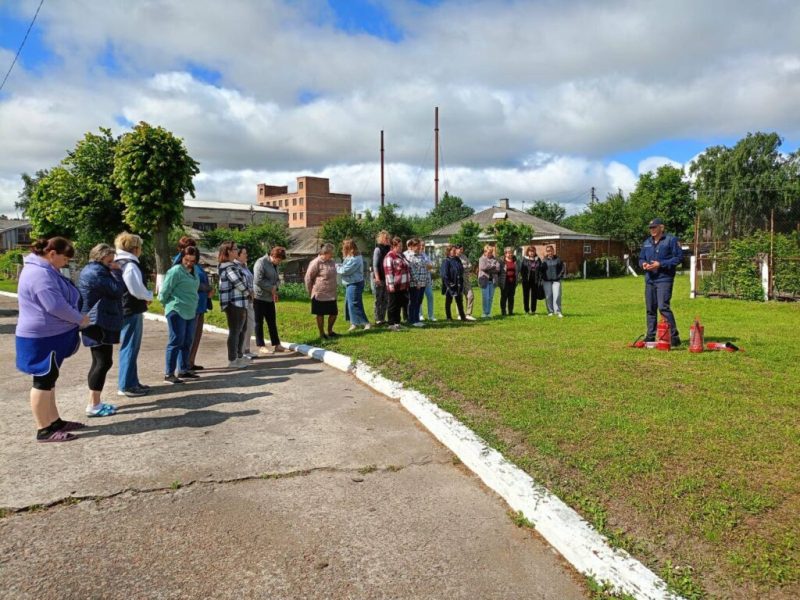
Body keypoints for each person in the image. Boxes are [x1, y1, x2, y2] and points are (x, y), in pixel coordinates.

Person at [15, 237, 89, 442]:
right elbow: (54, 306)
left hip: (48, 335)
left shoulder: (44, 269)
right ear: (52, 254)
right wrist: (79, 319)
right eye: (65, 258)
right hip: (41, 337)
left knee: (49, 380)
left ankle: (54, 421)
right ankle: (44, 429)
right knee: (42, 381)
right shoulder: (39, 274)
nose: (66, 263)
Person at [78, 244, 125, 417]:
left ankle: (94, 401)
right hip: (98, 322)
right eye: (110, 260)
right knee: (103, 362)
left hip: (95, 320)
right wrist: (117, 272)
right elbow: (117, 290)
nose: (113, 263)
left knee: (100, 361)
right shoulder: (97, 272)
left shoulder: (92, 270)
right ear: (101, 258)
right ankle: (93, 404)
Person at [113, 232, 153, 398]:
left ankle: (132, 381)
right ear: (135, 249)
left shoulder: (120, 261)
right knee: (130, 346)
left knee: (130, 346)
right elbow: (136, 289)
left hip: (126, 308)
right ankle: (126, 385)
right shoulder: (130, 264)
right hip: (131, 309)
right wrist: (148, 296)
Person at [159, 246, 201, 383]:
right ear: (181, 258)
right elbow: (164, 292)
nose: (189, 263)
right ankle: (169, 373)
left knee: (187, 341)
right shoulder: (175, 271)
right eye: (186, 260)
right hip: (176, 310)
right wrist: (167, 305)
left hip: (190, 311)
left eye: (192, 261)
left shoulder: (194, 272)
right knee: (176, 340)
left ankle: (183, 370)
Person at [639, 218, 683, 346]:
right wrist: (643, 264)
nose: (652, 230)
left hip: (664, 278)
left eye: (654, 227)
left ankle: (674, 337)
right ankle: (650, 336)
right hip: (650, 279)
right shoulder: (647, 242)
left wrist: (661, 264)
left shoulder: (671, 240)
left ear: (661, 228)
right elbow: (641, 258)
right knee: (650, 308)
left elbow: (679, 258)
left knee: (663, 307)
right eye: (650, 228)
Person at [172, 236, 211, 372]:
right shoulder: (179, 263)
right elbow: (188, 282)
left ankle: (190, 361)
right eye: (187, 247)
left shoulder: (195, 262)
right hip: (189, 304)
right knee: (187, 337)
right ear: (181, 249)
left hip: (199, 303)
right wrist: (206, 288)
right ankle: (184, 364)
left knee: (196, 335)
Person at [218, 241, 251, 369]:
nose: (237, 251)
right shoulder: (228, 267)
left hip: (241, 302)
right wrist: (249, 292)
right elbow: (238, 282)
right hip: (234, 303)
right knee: (235, 331)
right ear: (228, 252)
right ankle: (232, 360)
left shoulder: (233, 266)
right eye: (235, 249)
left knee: (241, 330)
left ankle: (239, 357)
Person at [253, 246, 290, 354]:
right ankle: (261, 345)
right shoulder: (260, 262)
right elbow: (258, 280)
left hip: (270, 297)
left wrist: (275, 288)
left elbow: (278, 279)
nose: (279, 262)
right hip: (259, 297)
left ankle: (277, 345)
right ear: (273, 255)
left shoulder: (275, 265)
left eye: (280, 261)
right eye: (278, 259)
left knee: (272, 322)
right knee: (259, 322)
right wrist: (271, 288)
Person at [305, 243, 339, 339]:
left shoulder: (332, 262)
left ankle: (330, 331)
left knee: (334, 313)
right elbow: (308, 278)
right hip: (319, 294)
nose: (332, 255)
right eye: (331, 253)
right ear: (325, 252)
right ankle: (321, 333)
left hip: (331, 293)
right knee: (320, 314)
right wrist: (310, 291)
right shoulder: (316, 262)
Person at [337, 239, 371, 332]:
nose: (342, 250)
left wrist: (336, 267)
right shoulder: (351, 257)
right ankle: (354, 323)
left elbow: (345, 271)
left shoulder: (355, 259)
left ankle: (366, 323)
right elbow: (344, 266)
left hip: (355, 284)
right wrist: (340, 266)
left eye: (344, 248)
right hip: (350, 283)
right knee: (349, 304)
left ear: (349, 248)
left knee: (355, 304)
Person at [383, 236, 410, 331]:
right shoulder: (389, 257)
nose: (401, 247)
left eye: (401, 246)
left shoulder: (402, 255)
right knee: (392, 305)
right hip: (394, 285)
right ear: (393, 246)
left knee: (399, 304)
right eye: (399, 246)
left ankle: (397, 323)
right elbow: (388, 272)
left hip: (403, 286)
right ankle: (391, 324)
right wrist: (391, 286)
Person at [235, 247, 257, 359]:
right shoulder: (235, 267)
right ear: (238, 255)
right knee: (242, 326)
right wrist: (249, 292)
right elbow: (238, 284)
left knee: (250, 325)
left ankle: (247, 349)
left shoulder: (245, 266)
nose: (246, 255)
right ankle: (241, 351)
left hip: (250, 300)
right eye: (244, 253)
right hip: (241, 301)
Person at [404, 238, 429, 328]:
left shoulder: (421, 255)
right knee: (413, 301)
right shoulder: (410, 256)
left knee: (419, 302)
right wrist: (417, 282)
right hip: (415, 284)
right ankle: (412, 320)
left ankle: (417, 319)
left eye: (419, 245)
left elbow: (425, 268)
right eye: (417, 245)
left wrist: (425, 281)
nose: (419, 247)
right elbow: (412, 270)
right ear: (411, 246)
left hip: (422, 283)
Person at [440, 244, 467, 321]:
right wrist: (449, 284)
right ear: (449, 251)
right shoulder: (446, 261)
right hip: (450, 285)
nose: (455, 251)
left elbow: (461, 270)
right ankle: (448, 317)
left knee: (459, 301)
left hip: (458, 283)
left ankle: (463, 317)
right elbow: (444, 274)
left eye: (455, 250)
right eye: (453, 250)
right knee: (449, 301)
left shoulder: (457, 259)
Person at [371, 231, 391, 325]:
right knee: (378, 299)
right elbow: (375, 265)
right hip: (379, 277)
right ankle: (377, 318)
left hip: (387, 278)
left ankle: (383, 318)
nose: (388, 240)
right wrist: (377, 278)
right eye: (386, 238)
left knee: (386, 299)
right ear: (382, 239)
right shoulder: (378, 249)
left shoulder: (389, 249)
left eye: (388, 238)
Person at [541, 245, 566, 317]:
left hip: (556, 281)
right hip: (546, 281)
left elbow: (563, 268)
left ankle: (558, 311)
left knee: (557, 295)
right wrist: (543, 277)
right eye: (548, 251)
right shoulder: (544, 260)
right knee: (548, 296)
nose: (550, 252)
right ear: (547, 252)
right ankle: (550, 311)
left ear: (553, 251)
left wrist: (560, 276)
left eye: (551, 250)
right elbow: (541, 270)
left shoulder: (558, 259)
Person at [477, 244, 501, 318]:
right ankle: (484, 312)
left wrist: (489, 267)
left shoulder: (495, 259)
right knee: (485, 297)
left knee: (490, 297)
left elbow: (498, 269)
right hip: (484, 281)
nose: (490, 254)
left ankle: (489, 312)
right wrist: (492, 266)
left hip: (492, 281)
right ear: (485, 252)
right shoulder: (482, 259)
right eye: (489, 252)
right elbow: (483, 267)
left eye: (491, 252)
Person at [519, 245, 543, 315]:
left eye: (533, 251)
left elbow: (540, 270)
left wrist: (539, 279)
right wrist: (524, 278)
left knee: (534, 296)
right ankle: (526, 310)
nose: (531, 253)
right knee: (526, 295)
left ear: (535, 252)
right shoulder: (524, 259)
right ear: (528, 252)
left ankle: (533, 310)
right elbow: (522, 270)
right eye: (530, 251)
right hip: (526, 281)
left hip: (535, 280)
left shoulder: (538, 259)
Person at [455, 245, 476, 320]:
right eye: (460, 249)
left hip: (466, 280)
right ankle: (460, 314)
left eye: (462, 249)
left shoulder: (464, 256)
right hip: (458, 280)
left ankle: (468, 314)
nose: (461, 251)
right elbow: (457, 269)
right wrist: (465, 268)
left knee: (470, 296)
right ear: (456, 249)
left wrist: (464, 268)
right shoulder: (454, 257)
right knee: (459, 298)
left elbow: (470, 266)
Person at [498, 246, 518, 316]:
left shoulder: (515, 260)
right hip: (504, 282)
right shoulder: (501, 261)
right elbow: (498, 271)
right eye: (508, 253)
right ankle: (503, 311)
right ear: (505, 253)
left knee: (511, 297)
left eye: (511, 253)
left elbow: (517, 270)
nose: (510, 254)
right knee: (504, 297)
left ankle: (510, 311)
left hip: (513, 282)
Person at [419, 243, 436, 322]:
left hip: (427, 280)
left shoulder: (426, 255)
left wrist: (429, 266)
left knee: (430, 297)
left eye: (423, 246)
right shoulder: (416, 255)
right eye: (421, 245)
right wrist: (427, 266)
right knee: (420, 298)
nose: (422, 247)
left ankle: (431, 315)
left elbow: (431, 265)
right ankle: (420, 315)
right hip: (419, 280)